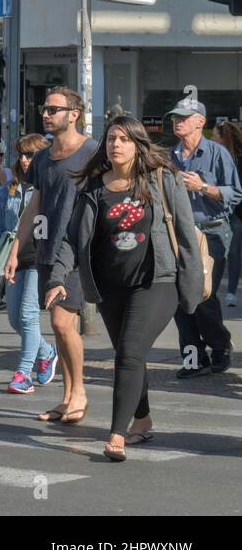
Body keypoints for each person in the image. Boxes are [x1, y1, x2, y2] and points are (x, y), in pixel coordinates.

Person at [44, 117, 203, 461]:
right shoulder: (92, 188)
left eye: (124, 139)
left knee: (128, 353)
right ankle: (143, 419)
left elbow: (187, 235)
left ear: (138, 145)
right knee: (132, 357)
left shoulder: (163, 179)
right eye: (112, 139)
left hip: (157, 282)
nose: (116, 145)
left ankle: (117, 432)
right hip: (110, 288)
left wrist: (192, 289)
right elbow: (73, 240)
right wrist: (57, 278)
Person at [5, 87, 100, 424]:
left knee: (62, 322)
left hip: (75, 252)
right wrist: (17, 248)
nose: (46, 114)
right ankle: (67, 397)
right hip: (46, 249)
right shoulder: (44, 158)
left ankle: (80, 394)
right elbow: (36, 203)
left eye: (54, 109)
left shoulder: (92, 152)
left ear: (74, 114)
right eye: (45, 109)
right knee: (59, 329)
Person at [165, 96, 241, 376]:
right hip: (178, 235)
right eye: (175, 117)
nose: (177, 121)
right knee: (179, 296)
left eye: (183, 117)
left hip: (211, 231)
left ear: (200, 122)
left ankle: (219, 346)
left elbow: (235, 194)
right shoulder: (168, 157)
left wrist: (204, 186)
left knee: (203, 294)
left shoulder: (217, 153)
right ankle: (193, 358)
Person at [0, 134, 57, 394]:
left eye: (30, 155)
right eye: (21, 154)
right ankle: (47, 352)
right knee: (14, 319)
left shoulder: (51, 186)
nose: (24, 160)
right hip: (14, 257)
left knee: (28, 315)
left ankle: (23, 374)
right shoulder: (10, 188)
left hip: (39, 258)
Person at [211, 119, 242, 307]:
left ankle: (227, 291)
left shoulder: (232, 159)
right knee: (228, 253)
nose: (212, 138)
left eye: (214, 135)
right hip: (226, 212)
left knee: (230, 252)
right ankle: (226, 292)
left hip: (233, 212)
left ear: (223, 138)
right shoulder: (216, 156)